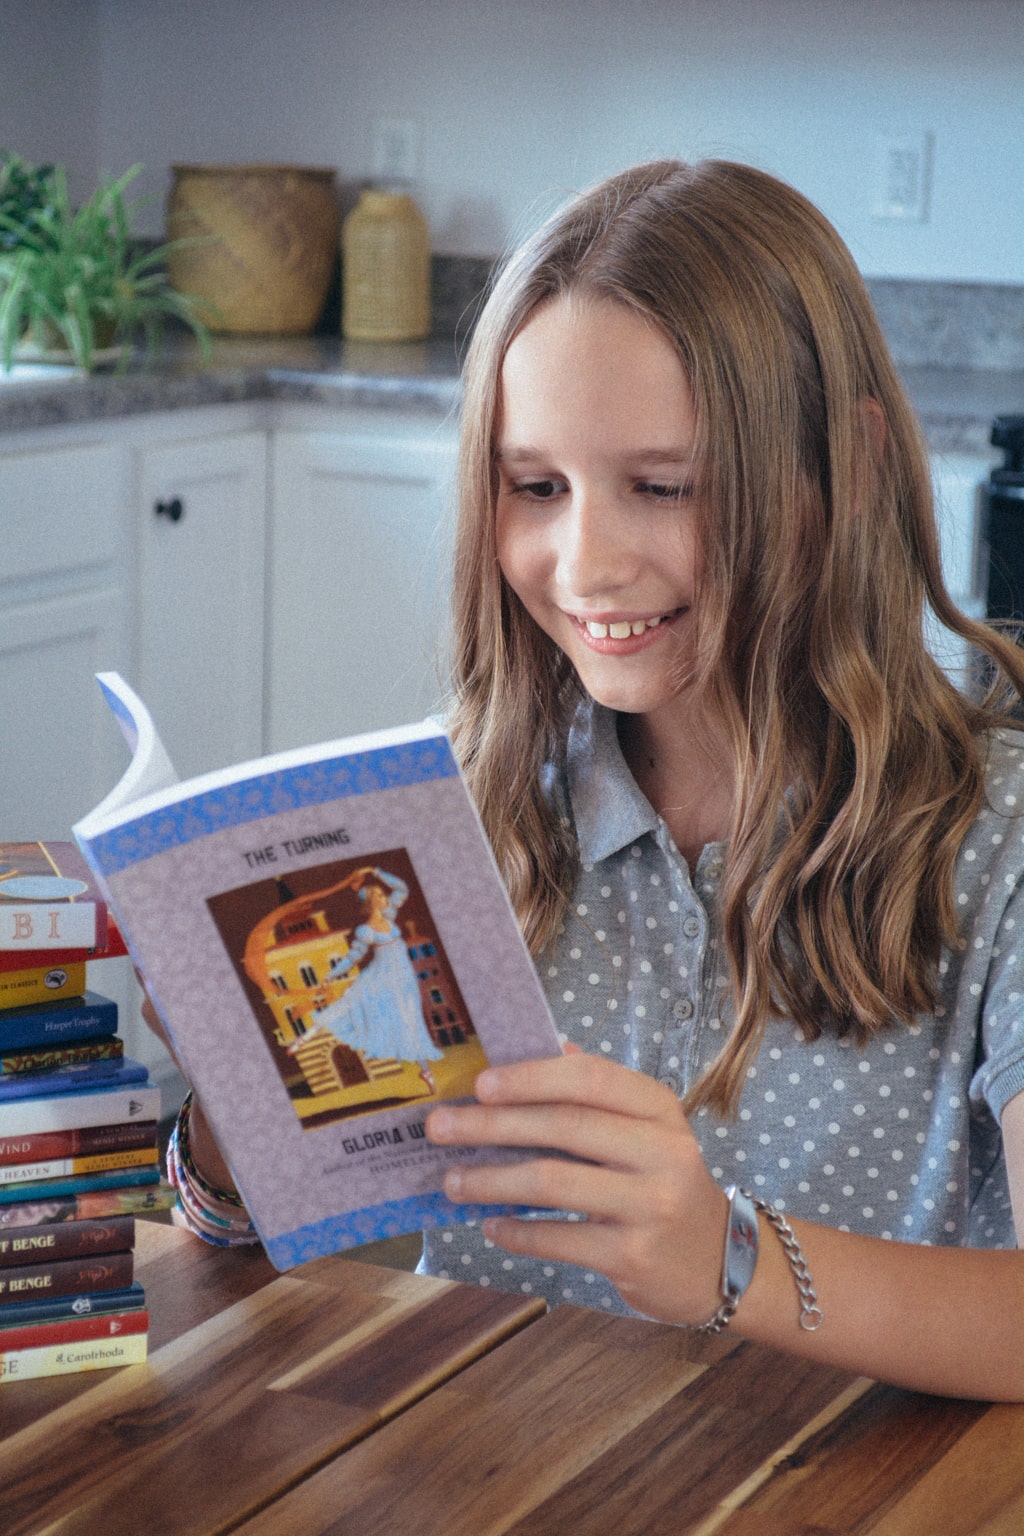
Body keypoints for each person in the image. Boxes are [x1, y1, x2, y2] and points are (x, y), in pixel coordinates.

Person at [158, 158, 1024, 1402]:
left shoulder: (996, 848)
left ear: (844, 469)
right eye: (535, 488)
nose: (585, 563)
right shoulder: (442, 816)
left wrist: (726, 1260)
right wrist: (234, 1114)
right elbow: (248, 1243)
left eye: (662, 487)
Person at [302, 865, 442, 1088]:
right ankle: (313, 1030)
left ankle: (424, 1071)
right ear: (370, 902)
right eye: (378, 894)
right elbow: (352, 958)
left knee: (412, 1021)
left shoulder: (390, 914)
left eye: (381, 893)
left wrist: (376, 871)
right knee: (362, 1003)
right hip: (382, 976)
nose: (384, 896)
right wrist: (331, 974)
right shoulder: (365, 931)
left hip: (404, 978)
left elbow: (401, 888)